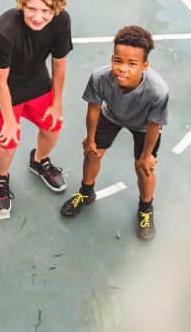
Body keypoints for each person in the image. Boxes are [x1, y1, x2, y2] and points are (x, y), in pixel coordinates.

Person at [0, 0, 73, 213]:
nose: (38, 17)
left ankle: (39, 161)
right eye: (31, 8)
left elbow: (59, 63)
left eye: (45, 10)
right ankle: (0, 177)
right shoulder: (5, 31)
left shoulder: (62, 21)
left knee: (53, 126)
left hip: (33, 75)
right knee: (9, 141)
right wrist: (10, 121)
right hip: (0, 82)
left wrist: (58, 102)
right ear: (22, 2)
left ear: (57, 7)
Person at [59, 25, 168, 240]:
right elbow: (93, 109)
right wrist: (90, 140)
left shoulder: (158, 90)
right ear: (112, 59)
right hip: (112, 115)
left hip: (144, 126)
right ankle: (86, 192)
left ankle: (146, 208)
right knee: (92, 153)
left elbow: (155, 124)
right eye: (118, 61)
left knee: (144, 169)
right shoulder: (100, 77)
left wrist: (146, 156)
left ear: (145, 65)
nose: (122, 68)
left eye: (132, 64)